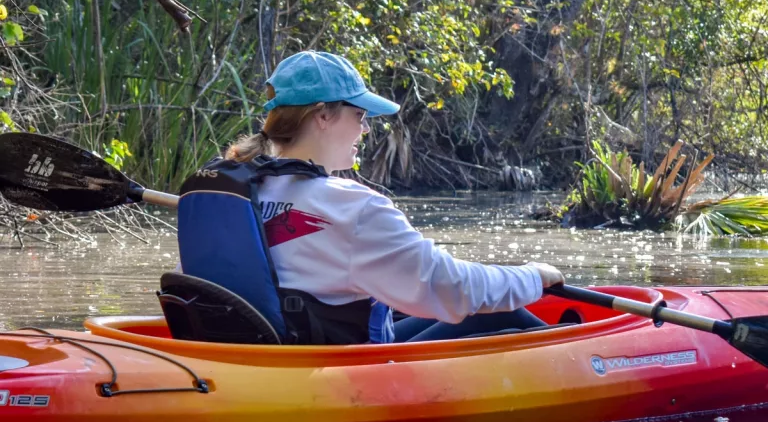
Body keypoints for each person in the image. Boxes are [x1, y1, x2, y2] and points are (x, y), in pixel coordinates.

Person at [219, 50, 564, 343]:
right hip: (337, 367)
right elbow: (455, 290)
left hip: (268, 346)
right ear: (323, 116)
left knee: (397, 309)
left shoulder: (235, 192)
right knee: (503, 314)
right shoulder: (354, 207)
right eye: (360, 115)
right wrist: (533, 276)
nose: (366, 129)